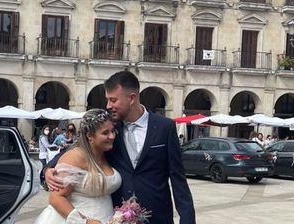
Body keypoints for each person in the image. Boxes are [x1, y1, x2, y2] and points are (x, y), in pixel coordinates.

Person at [45, 71, 196, 224]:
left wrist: (187, 220)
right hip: (117, 217)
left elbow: (178, 180)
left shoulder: (165, 127)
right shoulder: (109, 129)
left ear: (131, 98)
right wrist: (48, 169)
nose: (108, 106)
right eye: (107, 100)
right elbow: (80, 148)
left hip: (157, 217)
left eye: (113, 100)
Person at [34, 109, 120, 224]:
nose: (112, 136)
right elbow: (56, 198)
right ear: (90, 135)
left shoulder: (107, 153)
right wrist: (84, 221)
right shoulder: (75, 157)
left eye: (113, 131)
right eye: (105, 133)